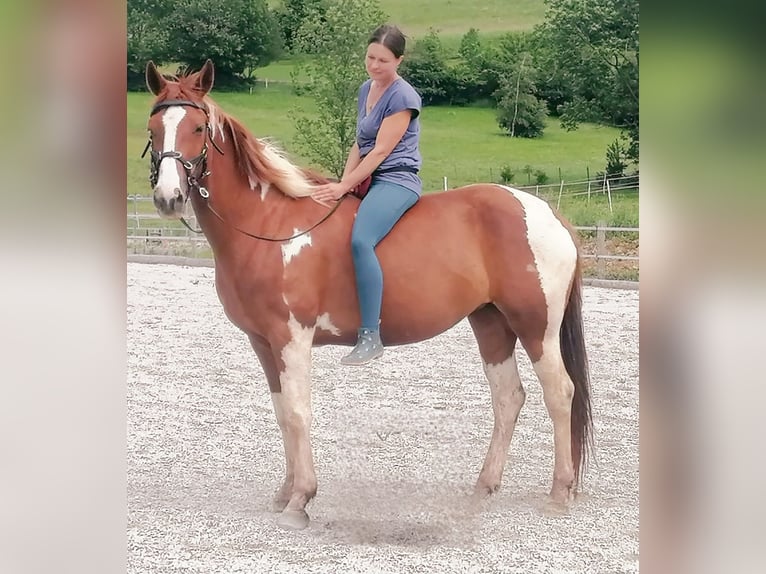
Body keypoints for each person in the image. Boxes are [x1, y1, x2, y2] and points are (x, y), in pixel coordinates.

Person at [312, 24, 423, 366]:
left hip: (396, 178)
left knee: (361, 241)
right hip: (367, 178)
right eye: (371, 57)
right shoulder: (366, 89)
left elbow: (379, 153)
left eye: (384, 61)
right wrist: (342, 185)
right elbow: (360, 144)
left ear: (399, 61)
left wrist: (345, 187)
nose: (375, 66)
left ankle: (370, 335)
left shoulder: (403, 98)